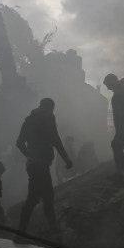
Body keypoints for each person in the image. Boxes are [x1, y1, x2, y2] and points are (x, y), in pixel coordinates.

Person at [16, 98, 73, 234]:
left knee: (48, 197)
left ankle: (52, 228)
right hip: (39, 166)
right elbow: (56, 140)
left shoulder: (29, 120)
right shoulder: (48, 118)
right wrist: (67, 159)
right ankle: (21, 232)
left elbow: (19, 143)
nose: (51, 112)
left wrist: (30, 156)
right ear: (48, 108)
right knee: (34, 199)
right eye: (51, 109)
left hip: (36, 165)